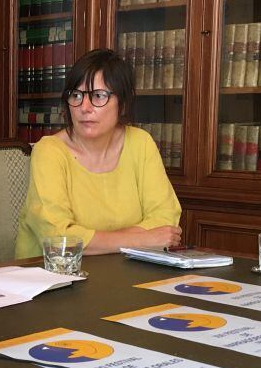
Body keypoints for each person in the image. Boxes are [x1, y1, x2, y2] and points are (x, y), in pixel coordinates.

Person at [14, 48, 182, 258]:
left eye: (98, 96)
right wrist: (141, 240)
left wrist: (96, 241)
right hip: (52, 278)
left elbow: (165, 221)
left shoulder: (140, 143)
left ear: (122, 104)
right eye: (76, 95)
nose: (85, 107)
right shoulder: (49, 151)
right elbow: (58, 239)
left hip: (126, 273)